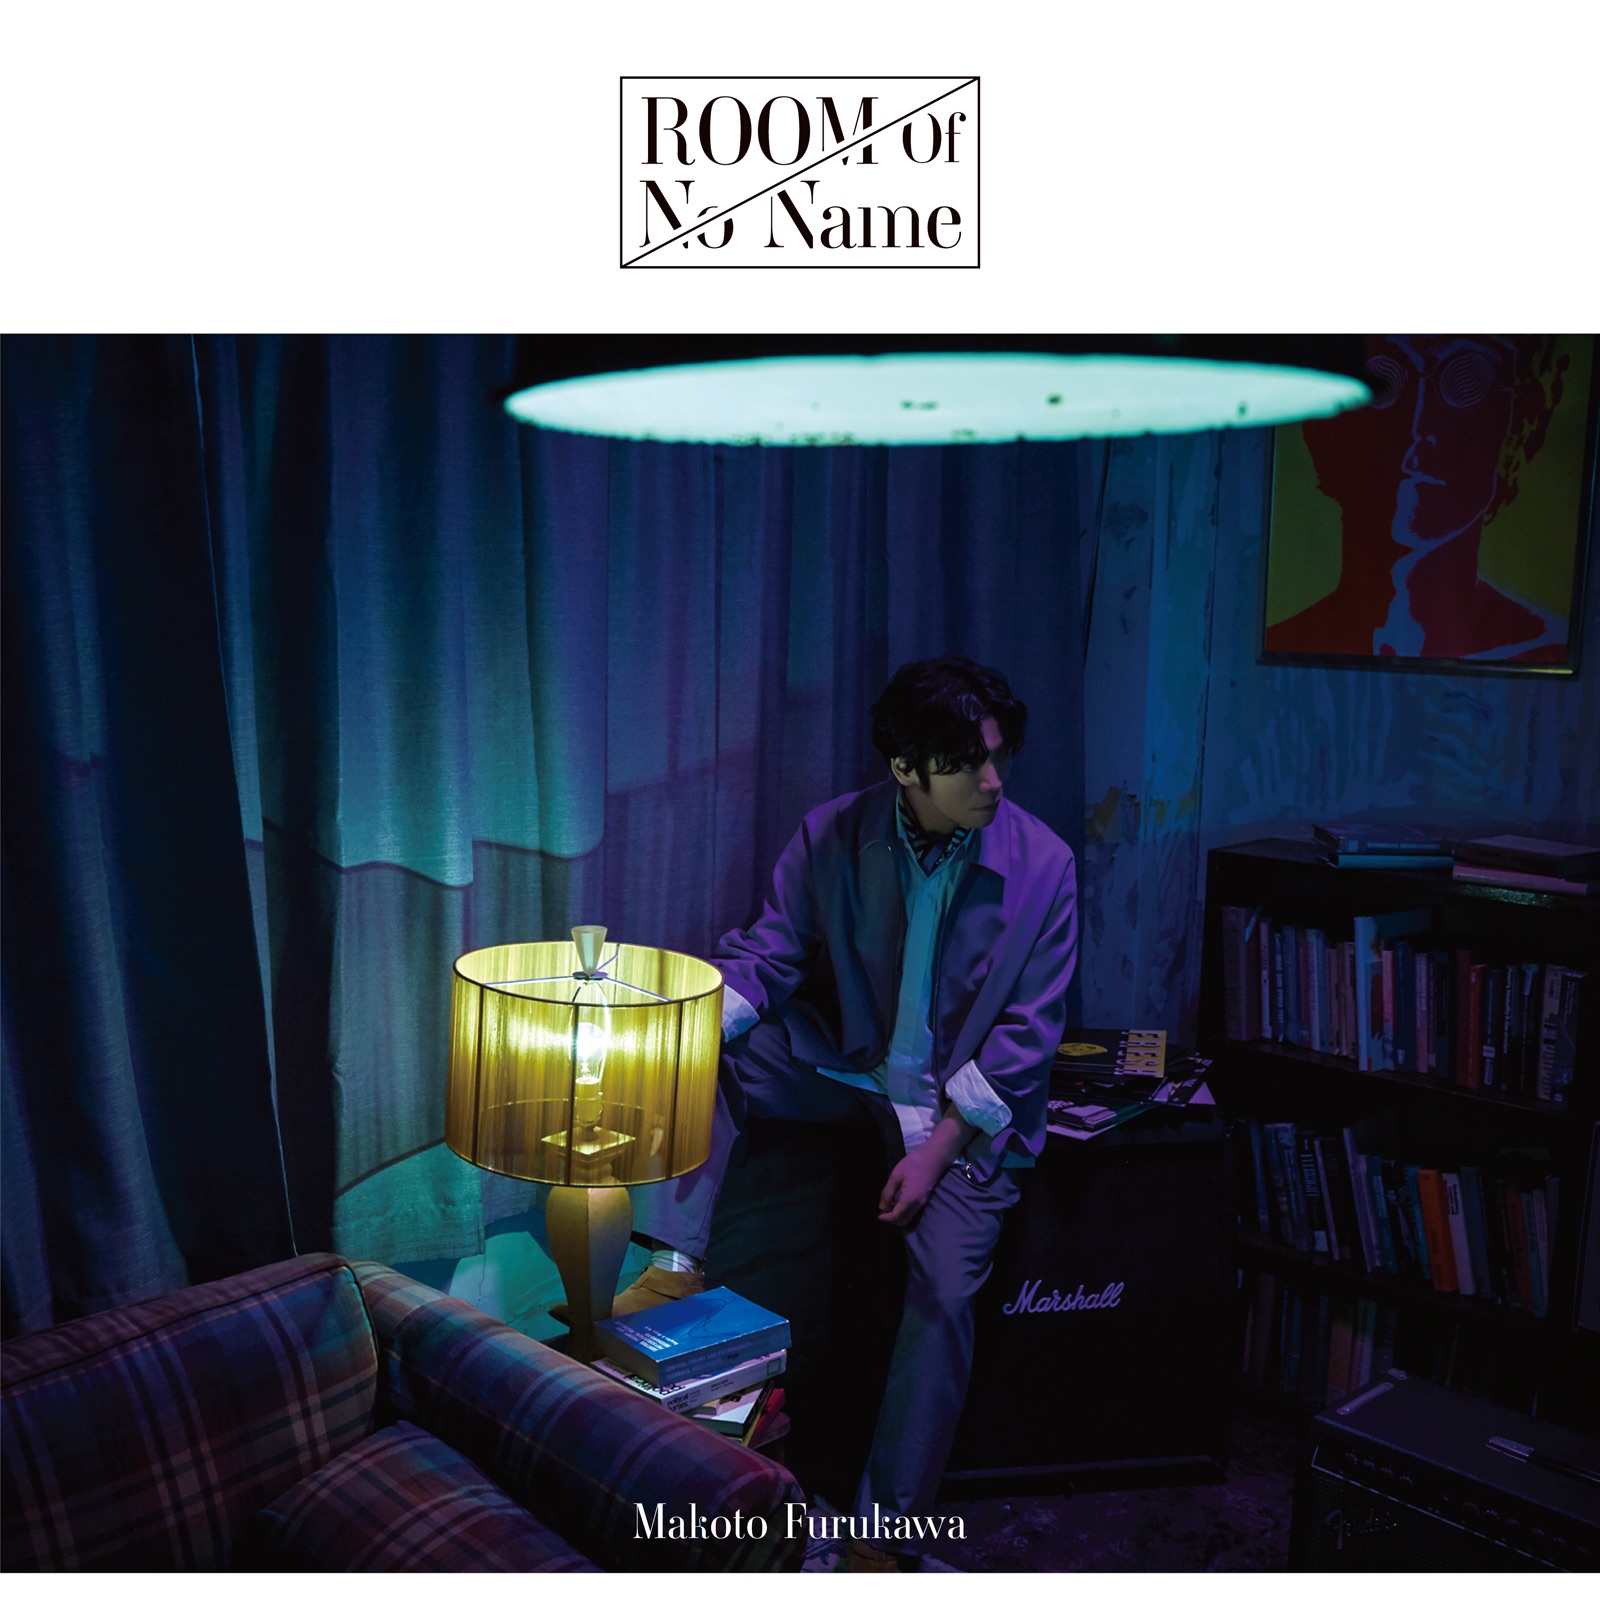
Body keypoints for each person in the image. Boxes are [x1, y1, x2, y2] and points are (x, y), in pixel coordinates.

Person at [561, 656, 1078, 1569]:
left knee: (945, 1294)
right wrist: (672, 1029)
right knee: (717, 1047)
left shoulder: (1046, 867)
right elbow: (769, 956)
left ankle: (884, 1536)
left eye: (999, 757)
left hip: (960, 1118)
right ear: (905, 768)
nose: (994, 781)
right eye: (968, 764)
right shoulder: (832, 834)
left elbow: (1026, 1039)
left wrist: (937, 1152)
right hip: (851, 1078)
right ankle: (678, 1271)